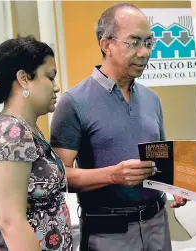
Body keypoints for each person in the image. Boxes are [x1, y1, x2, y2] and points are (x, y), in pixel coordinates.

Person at [50, 3, 186, 251]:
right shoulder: (73, 103)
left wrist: (175, 185)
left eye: (149, 42)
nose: (144, 52)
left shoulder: (151, 99)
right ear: (106, 45)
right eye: (134, 42)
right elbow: (58, 177)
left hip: (158, 224)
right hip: (108, 233)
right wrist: (112, 175)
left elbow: (160, 159)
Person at [0, 36, 72, 250]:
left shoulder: (28, 129)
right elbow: (11, 222)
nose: (56, 88)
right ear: (24, 78)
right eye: (50, 77)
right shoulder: (11, 132)